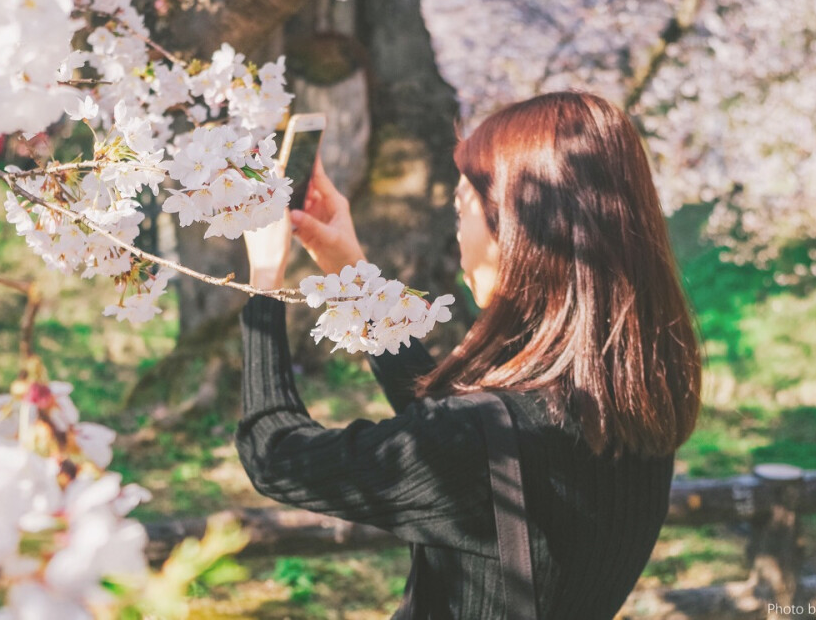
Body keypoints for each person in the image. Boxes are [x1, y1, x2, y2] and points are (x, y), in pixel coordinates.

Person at [238, 90, 702, 619]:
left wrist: (264, 284)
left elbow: (274, 455)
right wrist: (349, 271)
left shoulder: (476, 440)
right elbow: (451, 421)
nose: (456, 229)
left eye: (461, 207)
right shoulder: (636, 394)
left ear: (518, 230)